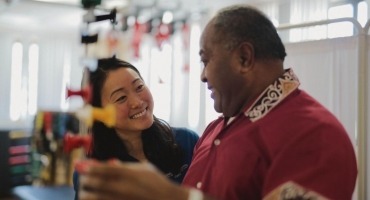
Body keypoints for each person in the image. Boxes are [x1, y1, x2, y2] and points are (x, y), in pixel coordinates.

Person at [77, 5, 358, 200]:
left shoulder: (314, 135)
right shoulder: (215, 131)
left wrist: (174, 196)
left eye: (205, 60)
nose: (202, 75)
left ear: (244, 58)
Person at [73, 57, 199, 199]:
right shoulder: (96, 171)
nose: (137, 102)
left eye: (139, 87)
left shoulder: (188, 141)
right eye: (121, 98)